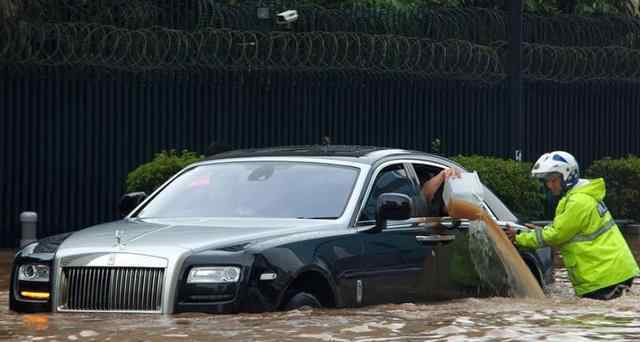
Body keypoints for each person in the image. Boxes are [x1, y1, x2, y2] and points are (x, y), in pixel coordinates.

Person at [506, 151, 639, 300]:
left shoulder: (578, 202)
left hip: (604, 276)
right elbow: (566, 229)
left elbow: (557, 235)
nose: (549, 185)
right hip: (609, 273)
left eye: (553, 180)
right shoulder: (578, 197)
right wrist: (540, 231)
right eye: (547, 181)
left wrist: (518, 237)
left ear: (567, 176)